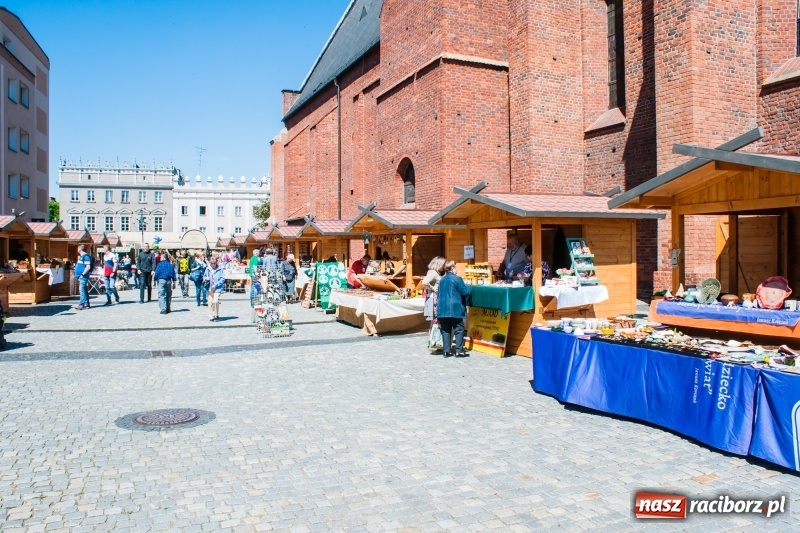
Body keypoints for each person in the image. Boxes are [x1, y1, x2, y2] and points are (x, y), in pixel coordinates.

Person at [436, 260, 472, 358]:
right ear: (452, 268)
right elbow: (465, 292)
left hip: (443, 308)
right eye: (456, 267)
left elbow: (439, 294)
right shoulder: (457, 279)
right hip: (454, 307)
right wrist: (470, 286)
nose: (457, 269)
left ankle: (446, 351)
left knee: (446, 329)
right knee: (459, 329)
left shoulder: (442, 280)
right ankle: (459, 351)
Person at [422, 256, 446, 321]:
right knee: (435, 320)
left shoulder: (435, 273)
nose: (444, 267)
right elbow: (424, 282)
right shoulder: (433, 273)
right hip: (433, 298)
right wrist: (432, 288)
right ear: (438, 264)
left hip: (434, 298)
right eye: (443, 265)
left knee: (435, 321)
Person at [153, 250, 176, 314]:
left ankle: (163, 309)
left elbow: (157, 273)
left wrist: (154, 281)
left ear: (163, 257)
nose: (160, 258)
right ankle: (168, 308)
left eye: (161, 257)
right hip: (169, 281)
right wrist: (174, 282)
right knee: (168, 295)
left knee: (161, 295)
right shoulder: (170, 265)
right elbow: (173, 274)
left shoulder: (159, 265)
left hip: (161, 280)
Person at [204, 256, 225, 321]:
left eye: (214, 263)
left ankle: (216, 314)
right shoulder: (207, 269)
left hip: (217, 288)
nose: (213, 265)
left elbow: (222, 278)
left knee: (215, 301)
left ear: (216, 263)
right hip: (209, 288)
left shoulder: (220, 269)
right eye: (211, 263)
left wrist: (216, 285)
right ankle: (211, 316)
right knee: (210, 302)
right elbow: (204, 277)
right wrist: (206, 278)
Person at [75, 244, 93, 310]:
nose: (77, 250)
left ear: (80, 249)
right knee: (84, 290)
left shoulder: (85, 257)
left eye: (78, 248)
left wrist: (82, 274)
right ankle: (86, 303)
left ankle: (81, 304)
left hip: (83, 276)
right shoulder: (81, 256)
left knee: (82, 290)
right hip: (81, 276)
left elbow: (88, 267)